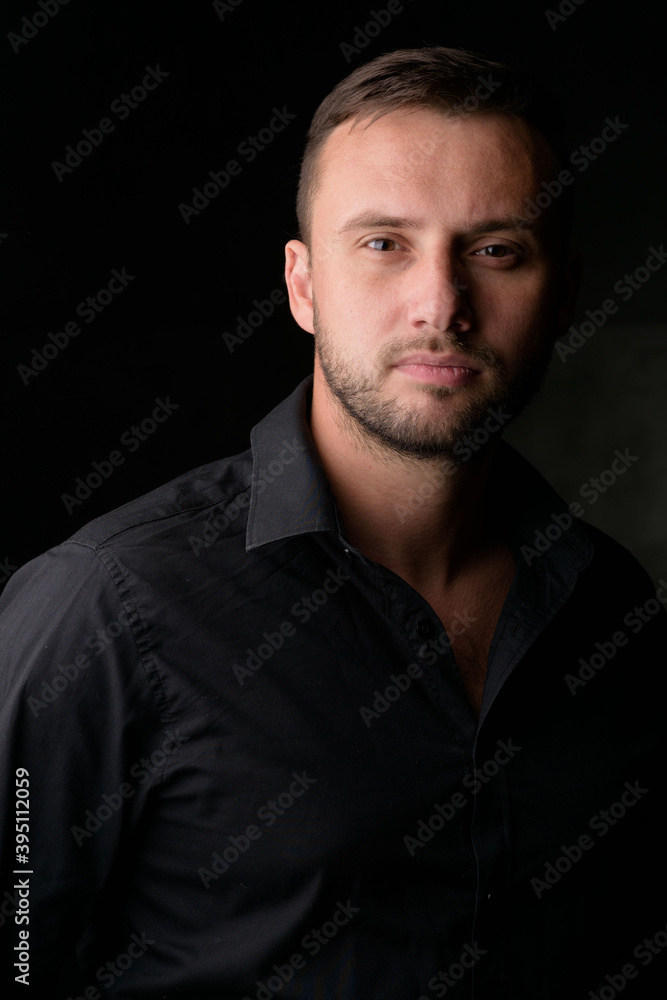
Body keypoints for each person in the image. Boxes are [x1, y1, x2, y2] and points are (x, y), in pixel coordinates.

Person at [1, 46, 665, 1000]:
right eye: (383, 243)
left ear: (562, 293)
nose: (441, 306)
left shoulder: (612, 607)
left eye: (495, 250)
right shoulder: (104, 605)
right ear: (303, 285)